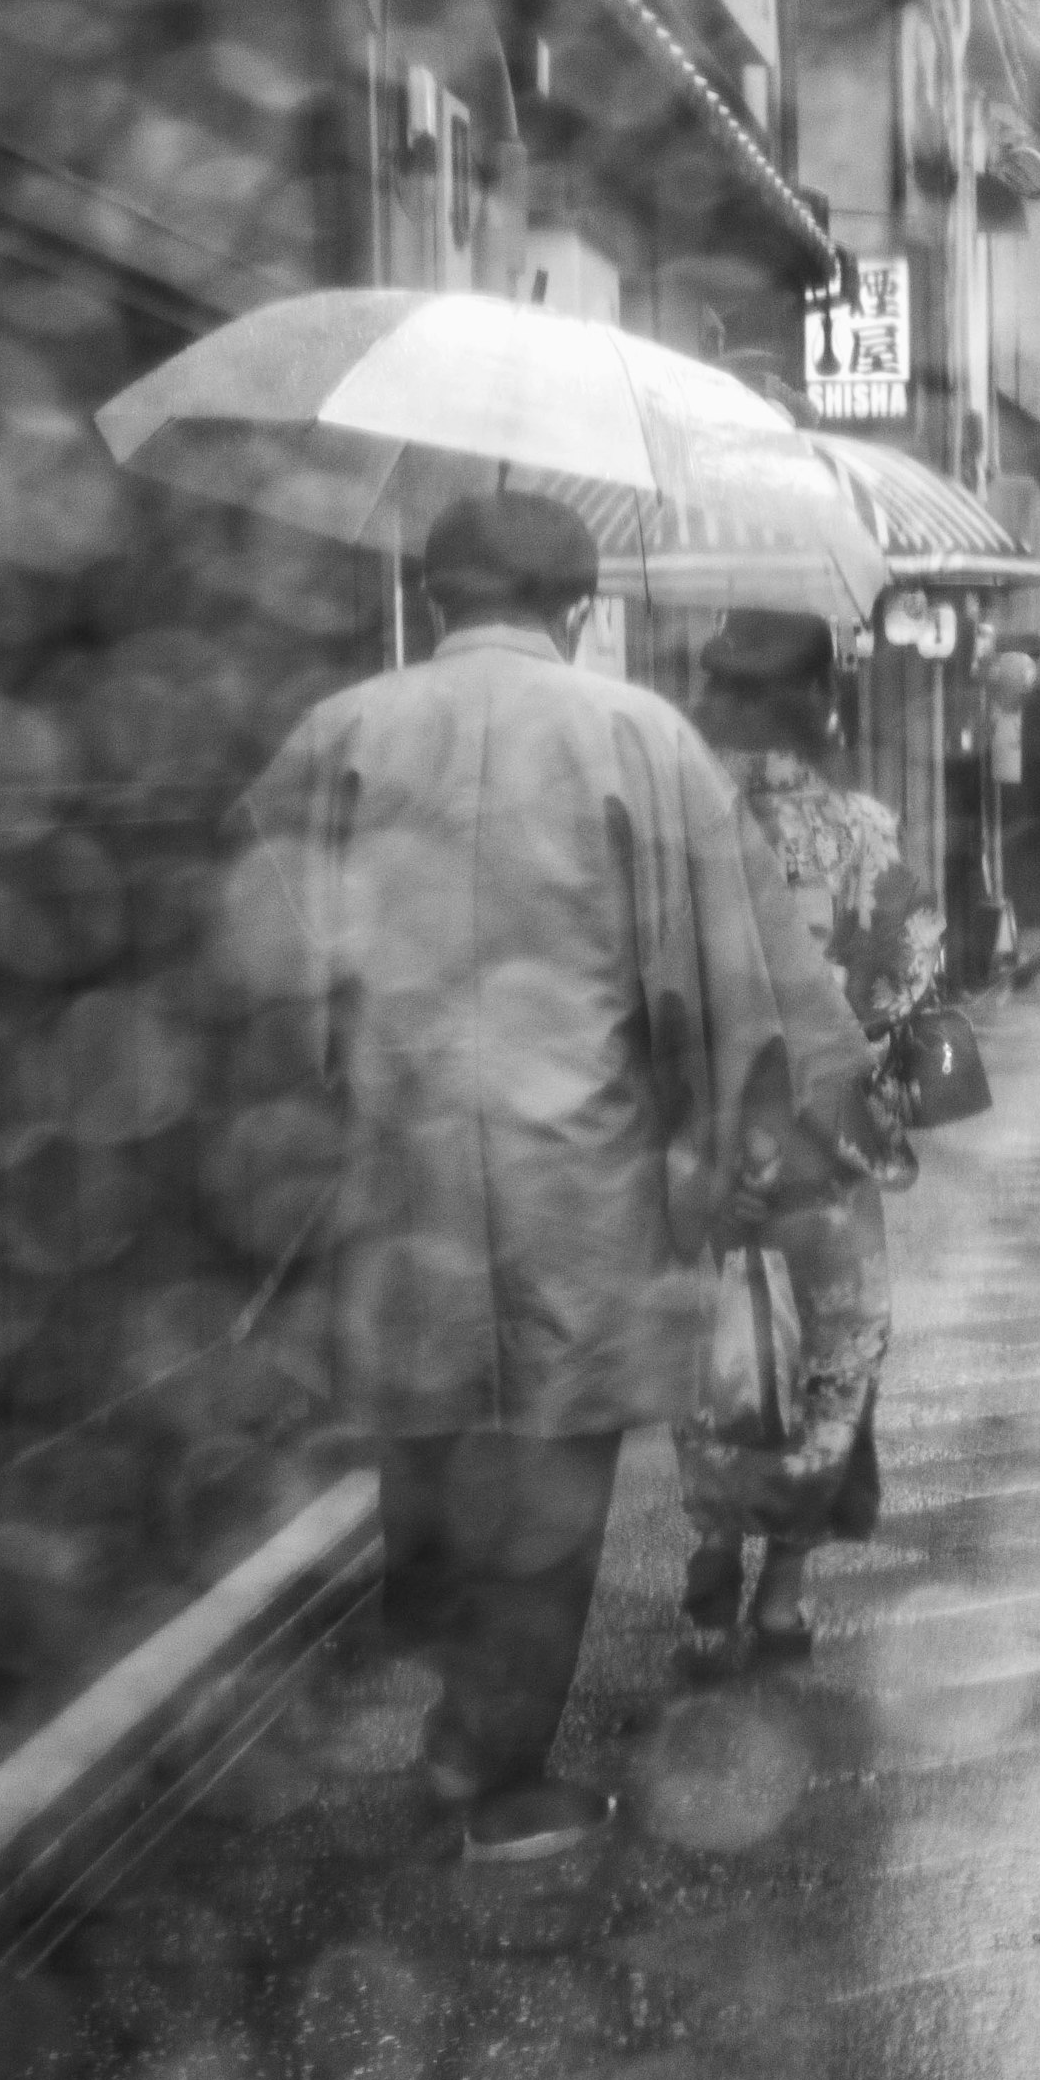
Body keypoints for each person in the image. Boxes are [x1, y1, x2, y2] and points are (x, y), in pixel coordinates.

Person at [214, 495, 870, 1866]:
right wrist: (745, 1148)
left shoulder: (334, 738)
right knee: (551, 1487)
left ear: (432, 593)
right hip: (581, 1174)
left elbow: (266, 973)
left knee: (431, 1448)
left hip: (396, 1172)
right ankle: (494, 1777)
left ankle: (448, 1706)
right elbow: (727, 988)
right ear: (577, 604)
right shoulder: (639, 739)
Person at [673, 612, 928, 1671]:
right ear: (823, 701)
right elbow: (903, 982)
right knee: (826, 1365)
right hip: (827, 1146)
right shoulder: (862, 831)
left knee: (718, 1362)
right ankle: (781, 1593)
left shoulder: (671, 831)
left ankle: (718, 1543)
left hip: (705, 1143)